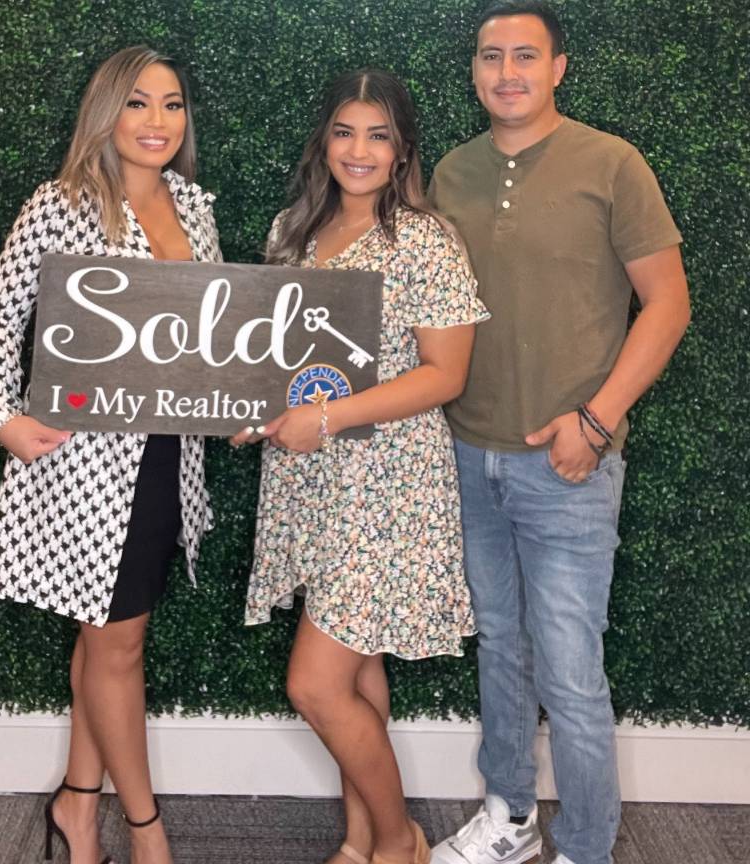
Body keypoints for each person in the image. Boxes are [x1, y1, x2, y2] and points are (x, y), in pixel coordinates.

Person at [426, 3, 690, 864]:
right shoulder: (450, 174)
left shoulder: (612, 164)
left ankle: (585, 848)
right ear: (475, 69)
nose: (507, 72)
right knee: (501, 649)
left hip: (569, 466)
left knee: (572, 676)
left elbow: (668, 305)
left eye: (525, 56)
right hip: (468, 455)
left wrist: (596, 421)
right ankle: (510, 818)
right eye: (491, 56)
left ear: (558, 68)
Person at [232, 70, 490, 864]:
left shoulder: (424, 240)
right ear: (324, 141)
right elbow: (273, 356)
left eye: (378, 136)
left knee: (314, 684)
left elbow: (445, 376)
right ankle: (360, 841)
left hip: (388, 485)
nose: (359, 150)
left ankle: (398, 840)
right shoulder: (292, 232)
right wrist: (248, 408)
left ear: (403, 150)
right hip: (310, 479)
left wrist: (326, 417)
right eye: (345, 131)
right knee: (357, 663)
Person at [0, 46, 220, 864]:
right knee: (118, 643)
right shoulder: (61, 204)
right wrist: (1, 417)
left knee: (104, 635)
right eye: (138, 103)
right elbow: (0, 318)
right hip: (85, 464)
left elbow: (212, 336)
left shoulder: (194, 206)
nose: (157, 121)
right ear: (107, 112)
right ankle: (147, 833)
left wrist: (240, 400)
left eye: (172, 104)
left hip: (169, 456)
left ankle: (77, 807)